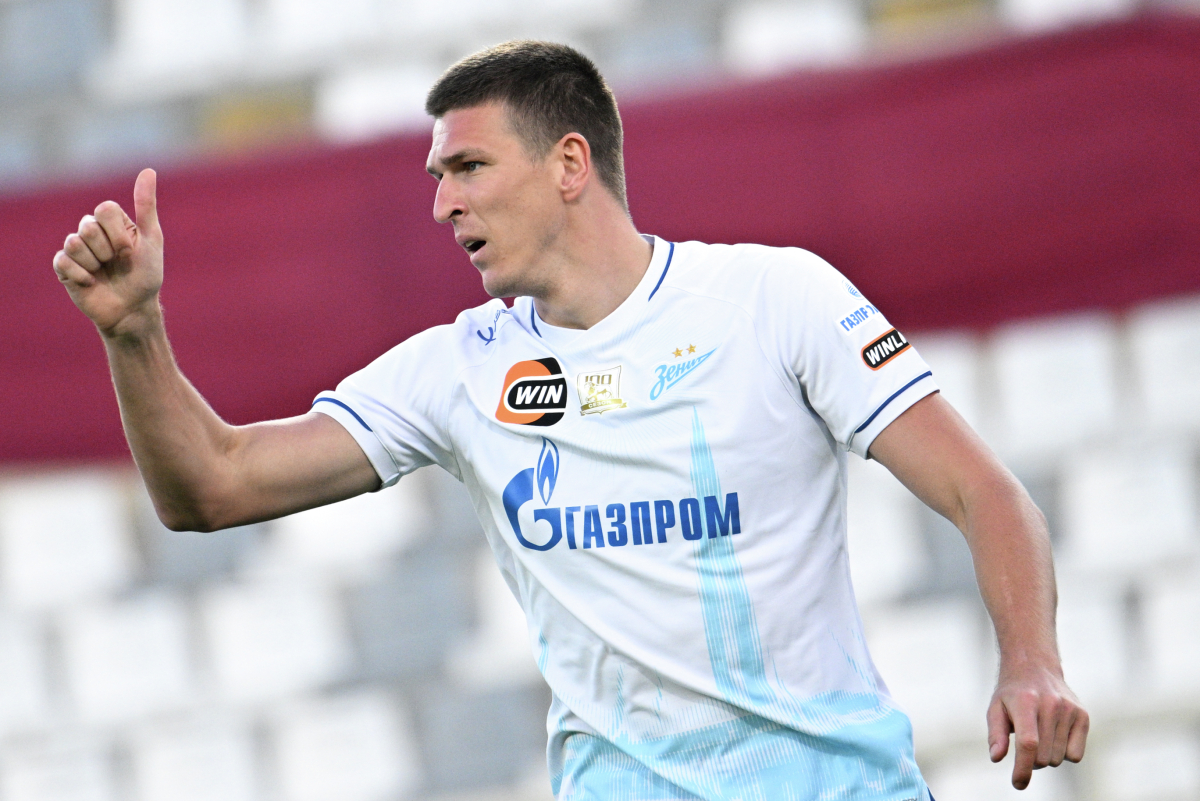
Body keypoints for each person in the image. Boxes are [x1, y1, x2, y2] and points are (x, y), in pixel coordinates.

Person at [52, 40, 1086, 801]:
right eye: (437, 178)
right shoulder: (459, 370)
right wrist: (134, 331)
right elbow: (213, 486)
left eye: (468, 167)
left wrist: (1031, 657)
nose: (441, 204)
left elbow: (981, 489)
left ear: (569, 164)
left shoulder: (776, 300)